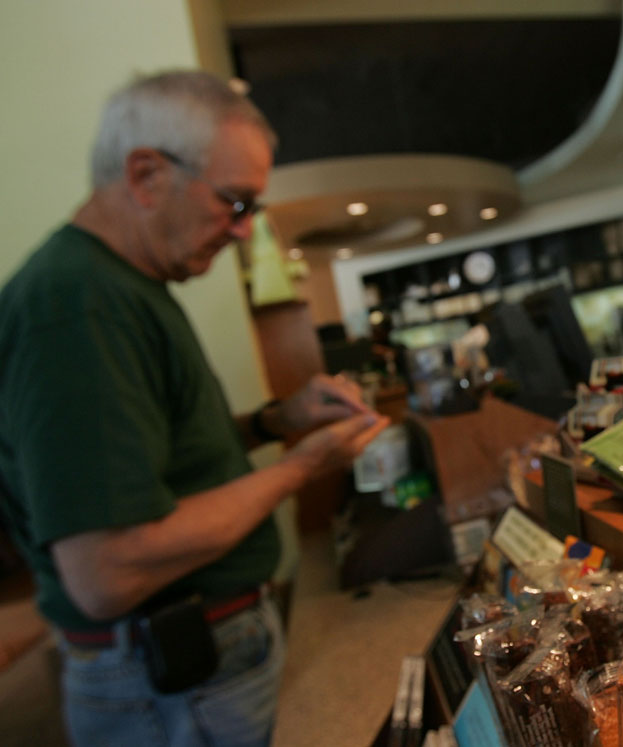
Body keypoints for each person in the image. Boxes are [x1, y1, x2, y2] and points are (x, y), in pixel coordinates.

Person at [0, 71, 388, 746]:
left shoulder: (125, 285)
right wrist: (302, 466)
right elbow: (107, 570)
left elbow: (156, 463)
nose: (243, 230)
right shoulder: (78, 304)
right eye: (235, 203)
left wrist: (275, 422)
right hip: (171, 675)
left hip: (195, 663)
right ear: (147, 175)